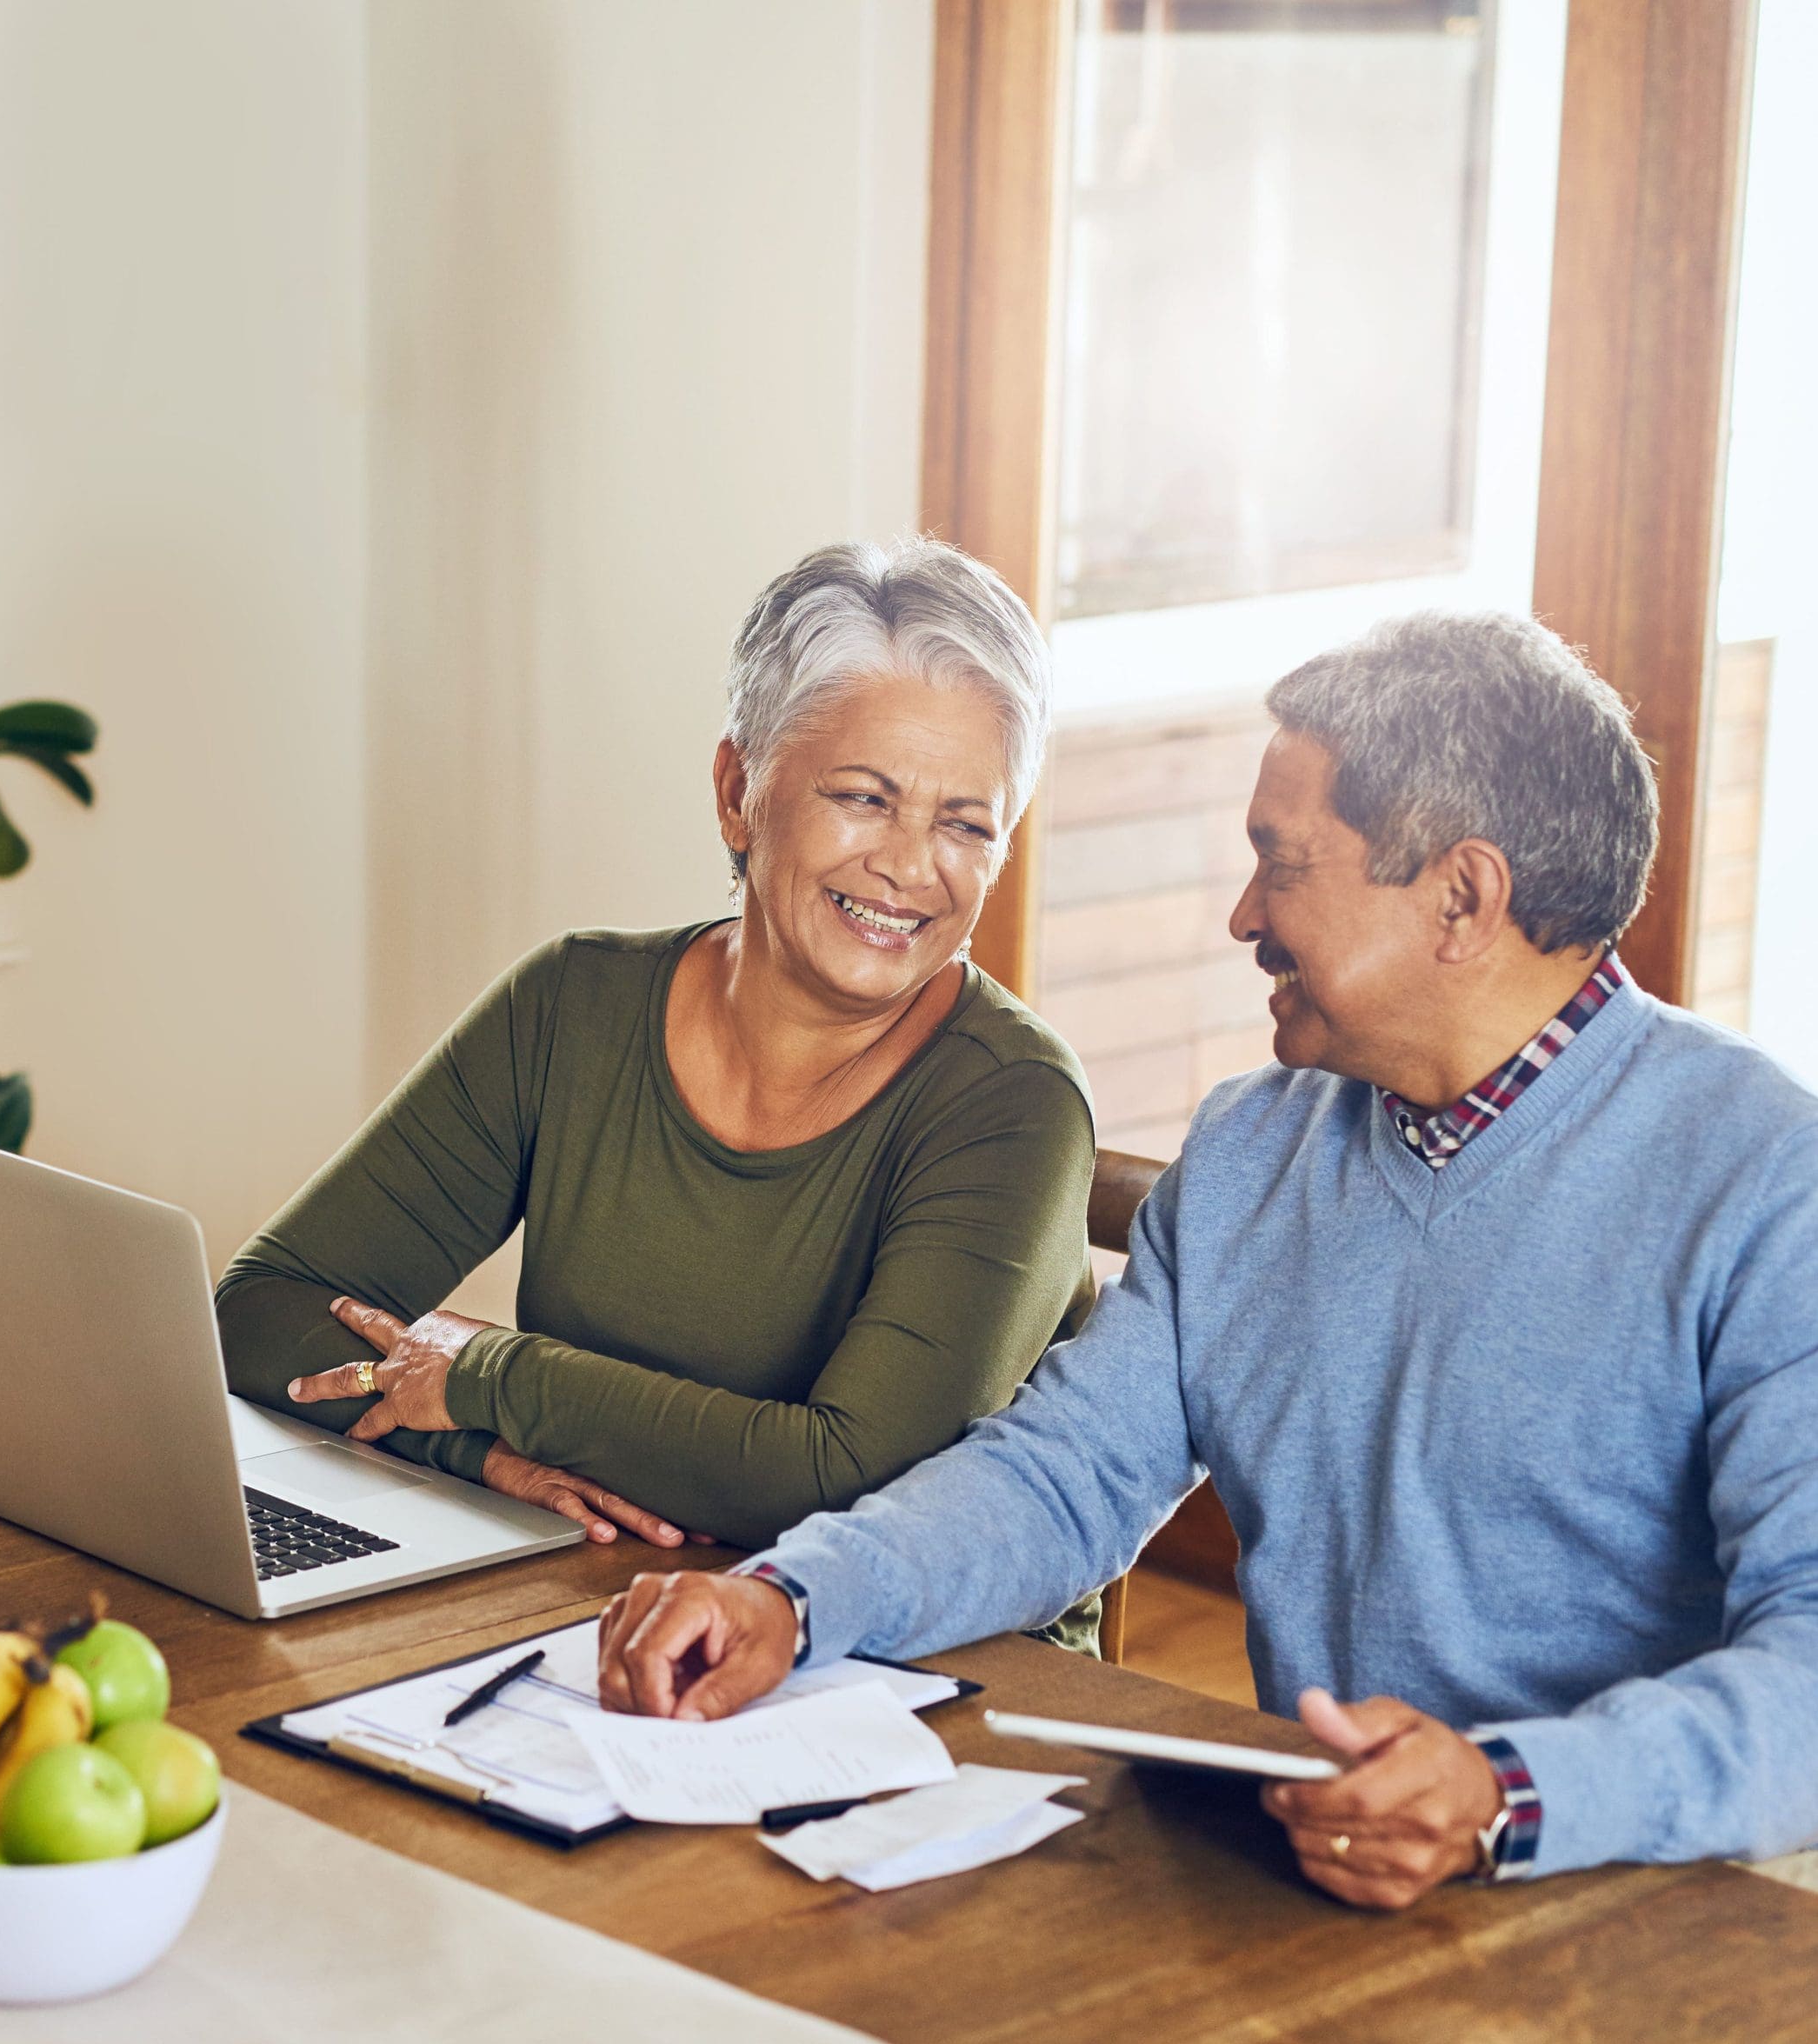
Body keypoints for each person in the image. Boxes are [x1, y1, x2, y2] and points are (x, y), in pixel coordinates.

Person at [596, 608, 1818, 1908]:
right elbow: (1062, 1479)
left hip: (1660, 1922)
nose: (1242, 914)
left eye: (1278, 861)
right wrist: (794, 1596)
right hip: (1317, 1882)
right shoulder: (1250, 1148)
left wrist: (1505, 1795)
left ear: (1461, 896)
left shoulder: (1765, 1184)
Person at [216, 540, 1102, 1591]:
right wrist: (473, 1447)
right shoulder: (571, 1006)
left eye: (964, 823)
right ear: (737, 789)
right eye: (864, 797)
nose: (911, 866)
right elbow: (261, 1312)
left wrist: (491, 1375)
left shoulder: (1013, 1105)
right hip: (598, 1598)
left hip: (911, 1662)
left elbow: (851, 1477)